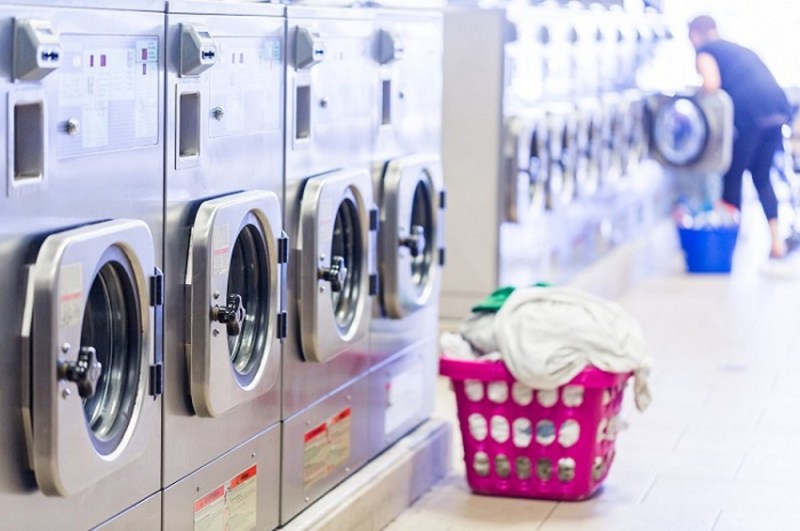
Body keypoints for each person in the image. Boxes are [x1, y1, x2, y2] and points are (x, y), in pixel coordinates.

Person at [688, 15, 791, 258]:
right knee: (762, 177)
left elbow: (711, 84)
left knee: (732, 175)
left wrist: (696, 96)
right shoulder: (740, 50)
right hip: (777, 110)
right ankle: (776, 243)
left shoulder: (705, 51)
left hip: (750, 114)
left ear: (694, 35)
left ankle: (726, 246)